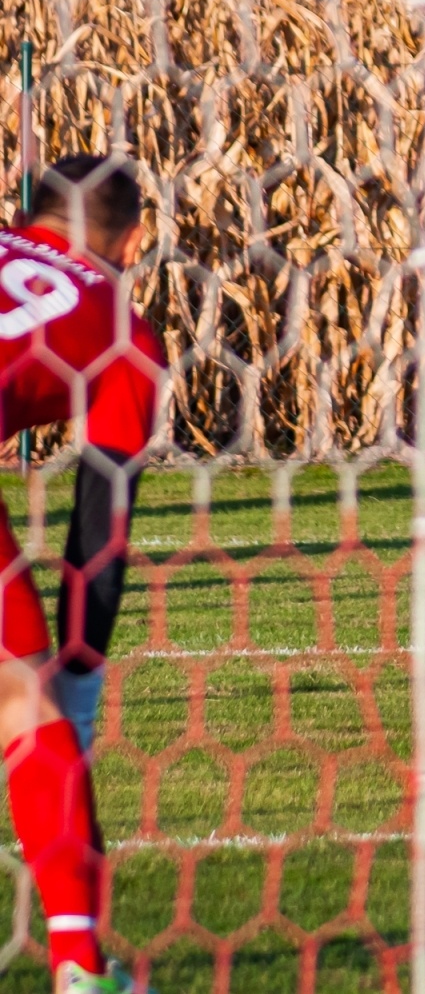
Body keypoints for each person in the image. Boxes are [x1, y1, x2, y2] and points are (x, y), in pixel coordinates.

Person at [0, 155, 165, 993]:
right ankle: (80, 966)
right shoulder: (123, 328)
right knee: (27, 715)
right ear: (133, 241)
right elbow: (99, 530)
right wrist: (80, 682)